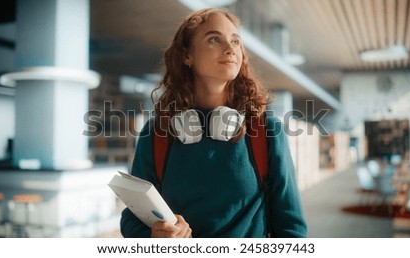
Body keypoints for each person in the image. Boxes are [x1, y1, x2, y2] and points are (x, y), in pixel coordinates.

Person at [120, 7, 307, 238]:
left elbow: (291, 228)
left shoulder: (266, 130)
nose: (230, 49)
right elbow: (132, 219)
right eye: (214, 39)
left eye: (236, 41)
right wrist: (153, 237)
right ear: (187, 55)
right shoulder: (157, 133)